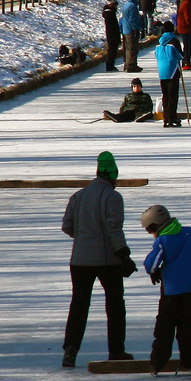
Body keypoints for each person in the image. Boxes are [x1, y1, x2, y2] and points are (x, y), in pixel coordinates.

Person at [60, 152, 135, 367]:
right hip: (107, 261)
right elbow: (113, 229)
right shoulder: (113, 197)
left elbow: (67, 226)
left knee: (79, 305)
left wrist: (84, 237)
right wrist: (124, 256)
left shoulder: (78, 196)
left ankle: (70, 351)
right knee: (115, 305)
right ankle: (116, 351)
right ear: (112, 175)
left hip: (79, 260)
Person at [141, 203, 191, 375]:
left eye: (149, 230)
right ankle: (190, 362)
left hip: (171, 291)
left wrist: (154, 271)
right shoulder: (190, 233)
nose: (151, 234)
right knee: (187, 325)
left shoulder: (163, 240)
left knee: (165, 326)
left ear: (156, 225)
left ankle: (158, 363)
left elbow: (152, 264)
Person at [155, 30, 184, 127]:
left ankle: (166, 117)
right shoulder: (174, 42)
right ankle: (172, 117)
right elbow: (180, 56)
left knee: (165, 95)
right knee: (173, 95)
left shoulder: (158, 44)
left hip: (162, 72)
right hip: (172, 71)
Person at [119, 0, 145, 73]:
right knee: (132, 48)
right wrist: (136, 28)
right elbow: (133, 19)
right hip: (131, 30)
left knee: (127, 48)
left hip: (125, 30)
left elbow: (122, 19)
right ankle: (131, 65)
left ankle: (127, 64)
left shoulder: (125, 6)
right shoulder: (133, 7)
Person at [102, 0, 121, 71]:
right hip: (112, 34)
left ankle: (111, 65)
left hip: (112, 34)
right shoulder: (110, 13)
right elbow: (111, 26)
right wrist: (114, 36)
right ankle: (110, 66)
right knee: (112, 50)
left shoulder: (110, 12)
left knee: (113, 50)